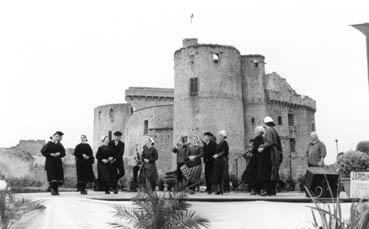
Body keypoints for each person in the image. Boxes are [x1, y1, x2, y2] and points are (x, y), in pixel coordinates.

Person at [258, 117, 282, 196]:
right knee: (273, 171)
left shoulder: (269, 130)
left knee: (268, 171)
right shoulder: (274, 130)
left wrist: (262, 147)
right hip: (274, 151)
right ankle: (272, 191)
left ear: (265, 124)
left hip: (270, 152)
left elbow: (270, 142)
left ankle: (269, 191)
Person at [41, 131, 66, 196]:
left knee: (58, 177)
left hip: (57, 162)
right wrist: (50, 154)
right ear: (53, 136)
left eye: (58, 137)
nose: (57, 138)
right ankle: (52, 189)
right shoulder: (49, 144)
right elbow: (43, 151)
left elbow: (63, 153)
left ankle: (56, 190)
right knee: (52, 177)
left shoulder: (60, 144)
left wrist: (59, 154)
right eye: (56, 136)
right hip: (50, 162)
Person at [244, 126, 264, 195]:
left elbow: (257, 148)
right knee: (257, 174)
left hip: (255, 158)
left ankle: (254, 189)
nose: (255, 131)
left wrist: (252, 149)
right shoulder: (262, 138)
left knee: (253, 174)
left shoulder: (258, 138)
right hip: (259, 158)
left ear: (259, 131)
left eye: (256, 130)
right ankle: (258, 189)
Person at [212, 130, 229, 195]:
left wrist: (217, 155)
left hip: (223, 160)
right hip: (218, 160)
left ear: (222, 136)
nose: (218, 137)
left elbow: (224, 151)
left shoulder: (225, 143)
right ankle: (219, 189)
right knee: (218, 174)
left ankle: (222, 189)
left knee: (222, 174)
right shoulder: (219, 143)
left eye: (219, 136)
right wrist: (216, 155)